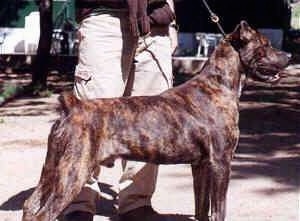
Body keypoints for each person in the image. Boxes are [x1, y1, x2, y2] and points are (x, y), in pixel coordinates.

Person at [59, 0, 178, 221]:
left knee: (150, 123)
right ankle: (79, 202)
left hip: (155, 22)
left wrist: (171, 21)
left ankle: (136, 203)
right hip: (105, 18)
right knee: (89, 120)